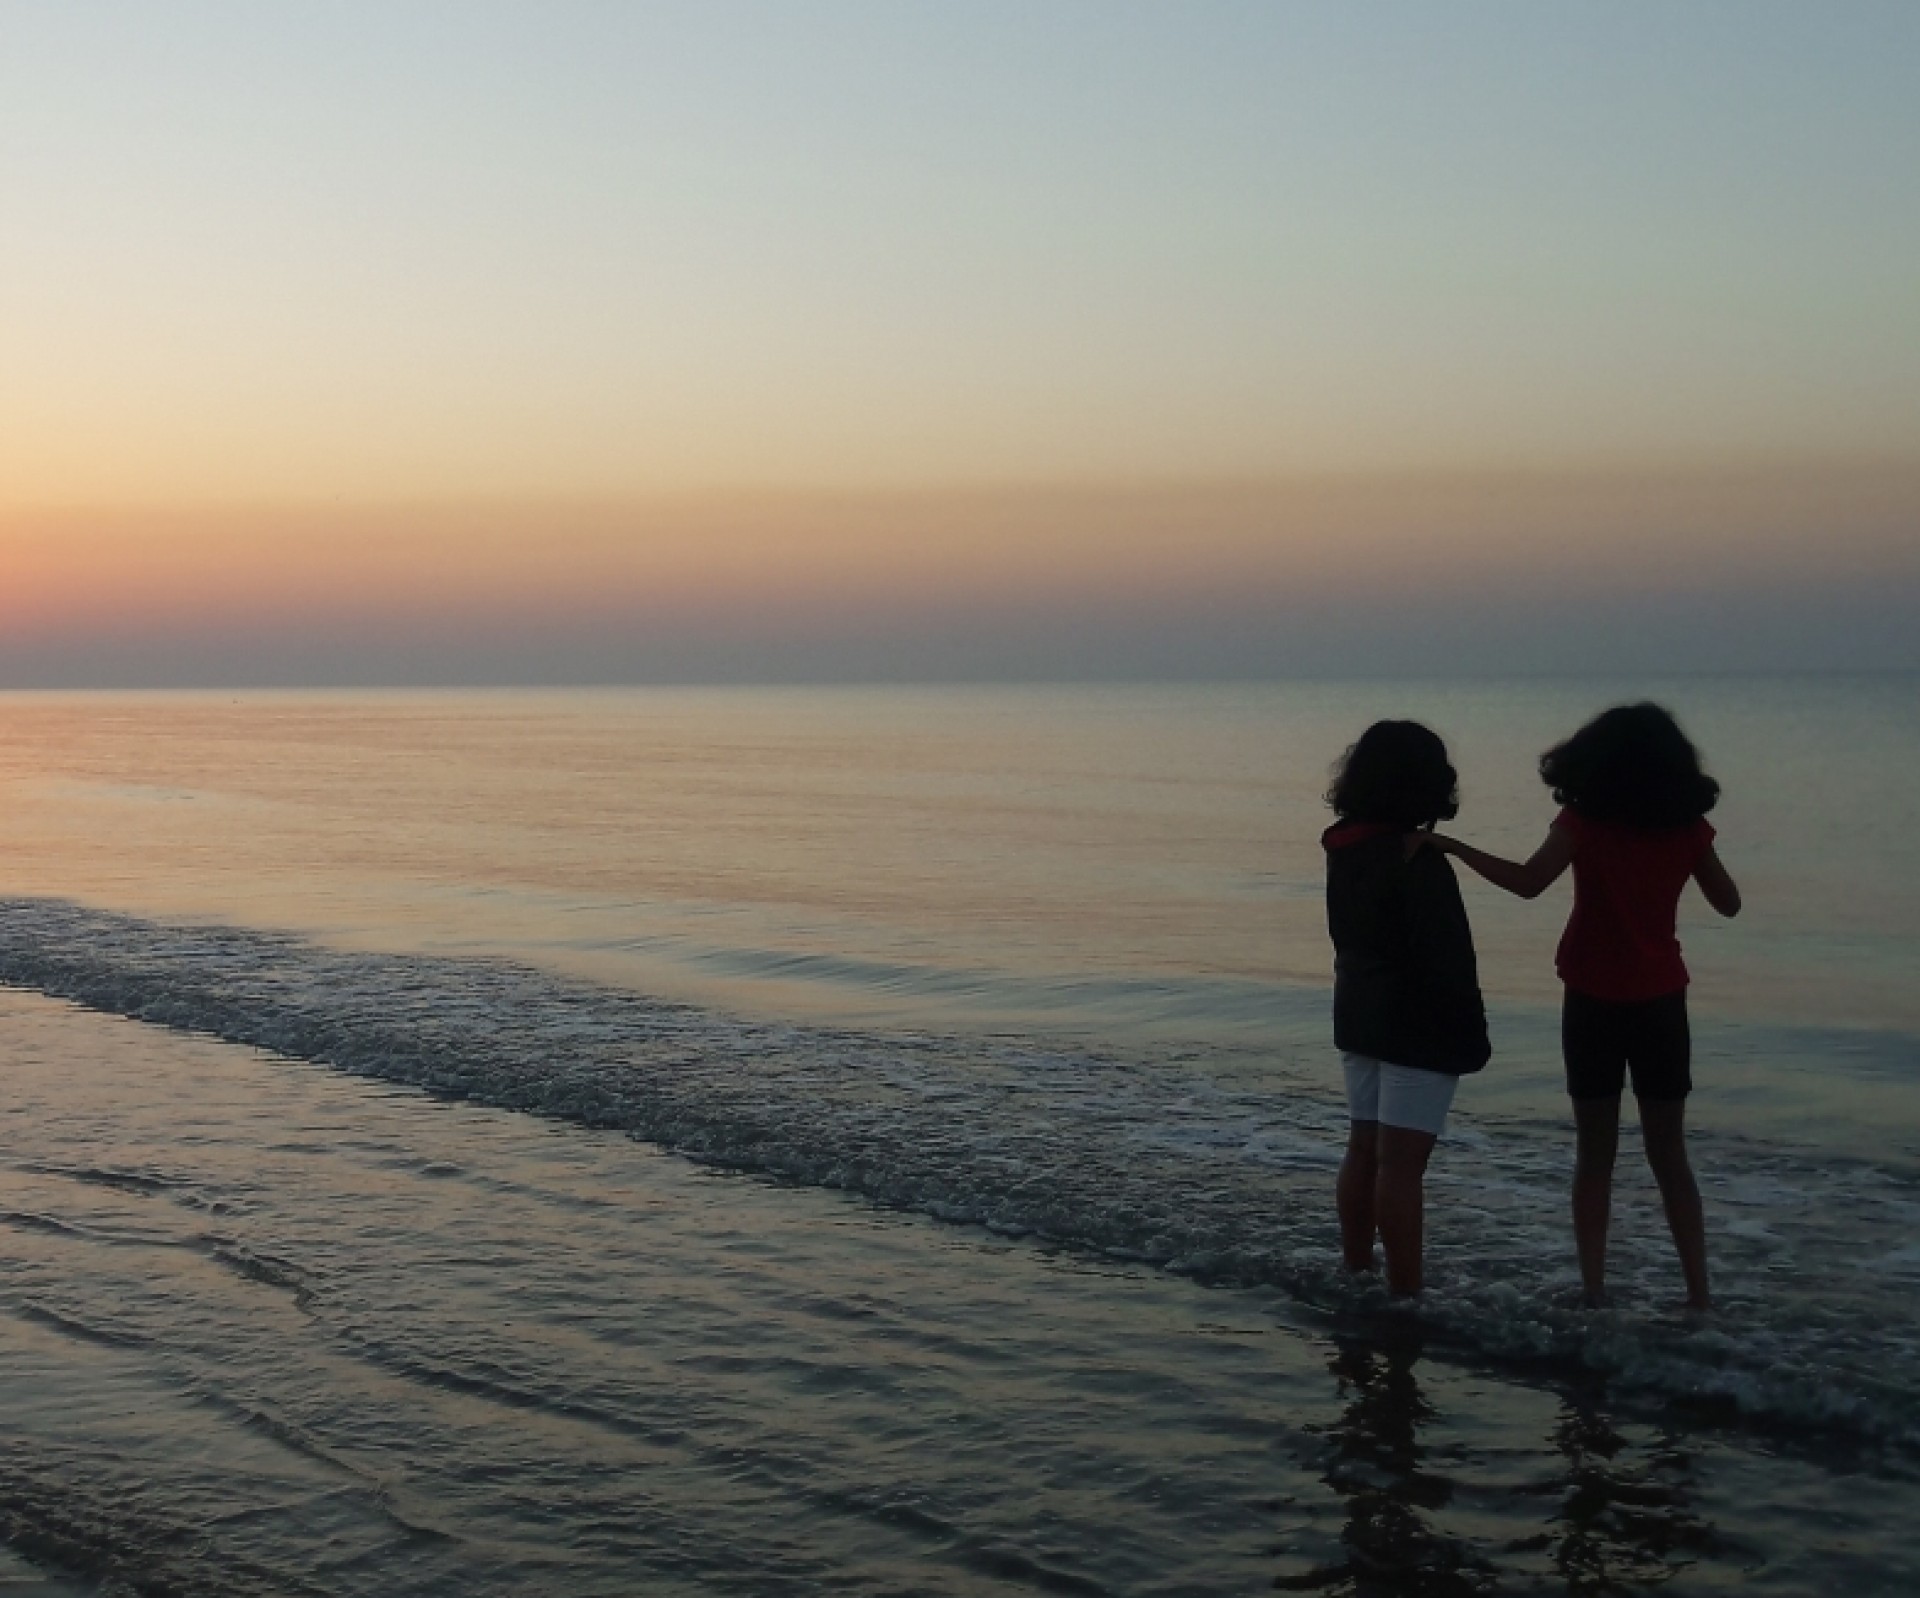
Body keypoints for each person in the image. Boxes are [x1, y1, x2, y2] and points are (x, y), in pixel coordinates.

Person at [1428, 703, 1741, 1311]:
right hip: (1661, 1000)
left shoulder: (1582, 822)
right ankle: (1700, 1294)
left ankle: (1593, 1289)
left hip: (1593, 997)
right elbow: (1728, 904)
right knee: (1669, 1155)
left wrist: (1451, 846)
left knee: (1594, 1153)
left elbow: (1527, 882)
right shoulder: (1687, 828)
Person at [1324, 721, 1490, 1297]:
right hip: (1418, 1024)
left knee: (1364, 1148)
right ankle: (1405, 1294)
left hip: (1359, 1011)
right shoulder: (1417, 859)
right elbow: (1445, 957)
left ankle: (1355, 1269)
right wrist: (1467, 1034)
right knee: (1401, 1167)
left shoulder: (1344, 846)